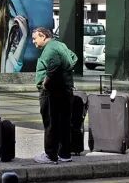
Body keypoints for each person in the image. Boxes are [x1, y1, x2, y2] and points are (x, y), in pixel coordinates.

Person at [32, 27, 77, 164]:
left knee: (50, 123)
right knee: (64, 123)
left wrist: (45, 82)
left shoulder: (50, 49)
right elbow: (74, 57)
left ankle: (50, 155)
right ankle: (65, 154)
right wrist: (66, 72)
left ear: (43, 36)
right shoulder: (60, 45)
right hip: (65, 90)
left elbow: (54, 65)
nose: (34, 41)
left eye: (35, 38)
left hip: (51, 92)